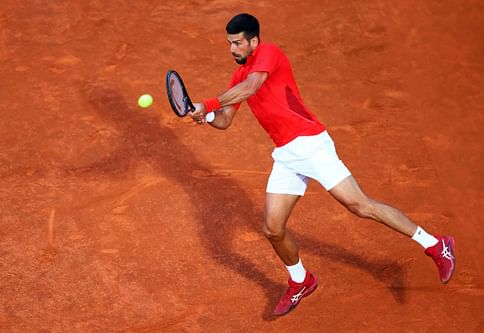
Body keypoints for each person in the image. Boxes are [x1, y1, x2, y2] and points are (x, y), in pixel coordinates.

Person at [189, 13, 456, 316]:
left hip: (312, 143)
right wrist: (207, 116)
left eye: (237, 43)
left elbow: (252, 88)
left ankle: (436, 244)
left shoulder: (269, 54)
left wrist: (208, 103)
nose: (232, 50)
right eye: (229, 44)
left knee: (359, 205)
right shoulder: (237, 77)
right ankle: (301, 281)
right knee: (273, 228)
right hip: (287, 155)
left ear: (254, 40)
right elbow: (225, 121)